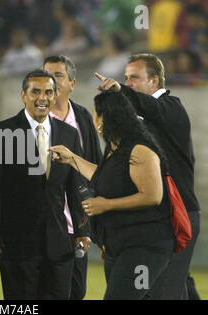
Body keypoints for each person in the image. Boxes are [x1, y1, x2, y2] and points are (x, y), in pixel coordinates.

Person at [49, 91, 175, 299]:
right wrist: (71, 158)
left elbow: (153, 196)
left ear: (106, 117)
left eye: (96, 114)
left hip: (144, 248)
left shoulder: (139, 150)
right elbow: (101, 177)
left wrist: (107, 205)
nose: (93, 119)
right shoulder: (115, 148)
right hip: (119, 245)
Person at [95, 53, 201, 300]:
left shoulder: (171, 107)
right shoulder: (139, 116)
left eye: (134, 78)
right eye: (125, 78)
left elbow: (149, 107)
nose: (128, 82)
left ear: (154, 81)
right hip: (162, 218)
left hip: (179, 212)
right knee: (175, 287)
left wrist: (120, 90)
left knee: (164, 291)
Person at [0, 69, 89, 300]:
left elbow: (75, 185)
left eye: (49, 92)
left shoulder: (69, 134)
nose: (43, 98)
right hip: (15, 243)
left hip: (59, 244)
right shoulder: (1, 132)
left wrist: (82, 229)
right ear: (23, 95)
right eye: (36, 91)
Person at [43, 55, 102, 300]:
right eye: (47, 75)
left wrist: (88, 223)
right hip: (45, 224)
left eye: (58, 75)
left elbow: (95, 168)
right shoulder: (34, 120)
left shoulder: (82, 117)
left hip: (77, 223)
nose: (52, 81)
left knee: (76, 291)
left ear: (72, 83)